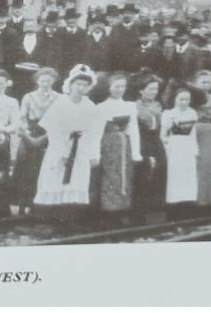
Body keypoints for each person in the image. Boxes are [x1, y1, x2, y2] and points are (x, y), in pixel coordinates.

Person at [34, 66, 102, 209]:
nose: (80, 88)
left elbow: (95, 132)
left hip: (81, 148)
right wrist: (62, 152)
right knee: (56, 177)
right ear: (70, 85)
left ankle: (71, 214)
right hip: (61, 146)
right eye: (77, 84)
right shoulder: (60, 104)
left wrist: (94, 154)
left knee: (77, 179)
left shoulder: (90, 106)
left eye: (84, 85)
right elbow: (53, 131)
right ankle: (51, 215)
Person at [9, 67, 59, 212]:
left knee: (44, 167)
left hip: (49, 132)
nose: (45, 83)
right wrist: (26, 132)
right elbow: (22, 117)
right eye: (42, 80)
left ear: (53, 81)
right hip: (31, 132)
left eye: (48, 81)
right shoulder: (29, 96)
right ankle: (22, 203)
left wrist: (50, 133)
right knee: (25, 166)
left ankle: (39, 204)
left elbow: (59, 117)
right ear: (37, 81)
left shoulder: (58, 97)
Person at [93, 72, 142, 214]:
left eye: (123, 86)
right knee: (110, 175)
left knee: (125, 174)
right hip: (108, 144)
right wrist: (95, 153)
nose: (120, 89)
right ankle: (109, 209)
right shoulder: (102, 107)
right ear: (109, 87)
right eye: (116, 86)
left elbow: (133, 129)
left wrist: (136, 153)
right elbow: (97, 133)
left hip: (124, 145)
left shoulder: (129, 106)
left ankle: (123, 208)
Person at [161, 87, 201, 209]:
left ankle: (188, 203)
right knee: (176, 175)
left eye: (187, 99)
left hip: (188, 145)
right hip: (175, 145)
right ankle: (174, 204)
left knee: (188, 175)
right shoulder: (168, 114)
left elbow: (193, 133)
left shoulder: (192, 113)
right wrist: (167, 148)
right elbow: (163, 134)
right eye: (181, 99)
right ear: (175, 99)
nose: (184, 102)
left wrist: (195, 149)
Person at [133, 76, 167, 211]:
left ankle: (155, 207)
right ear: (141, 91)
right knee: (143, 172)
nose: (154, 92)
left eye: (156, 89)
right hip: (143, 140)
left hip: (156, 140)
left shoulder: (158, 105)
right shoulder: (135, 106)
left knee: (159, 170)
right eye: (150, 89)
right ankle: (140, 209)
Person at [192, 70, 211, 207]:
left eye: (208, 82)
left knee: (207, 165)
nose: (206, 85)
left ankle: (206, 200)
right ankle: (193, 199)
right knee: (195, 164)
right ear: (195, 83)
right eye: (203, 82)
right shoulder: (190, 97)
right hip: (193, 129)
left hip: (208, 131)